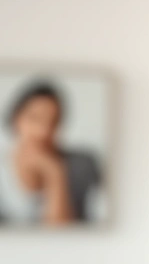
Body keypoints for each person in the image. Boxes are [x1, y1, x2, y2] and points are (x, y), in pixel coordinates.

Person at [0, 80, 102, 226]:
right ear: (16, 118)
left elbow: (61, 232)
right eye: (35, 118)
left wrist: (54, 173)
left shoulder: (83, 164)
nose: (44, 130)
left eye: (54, 121)